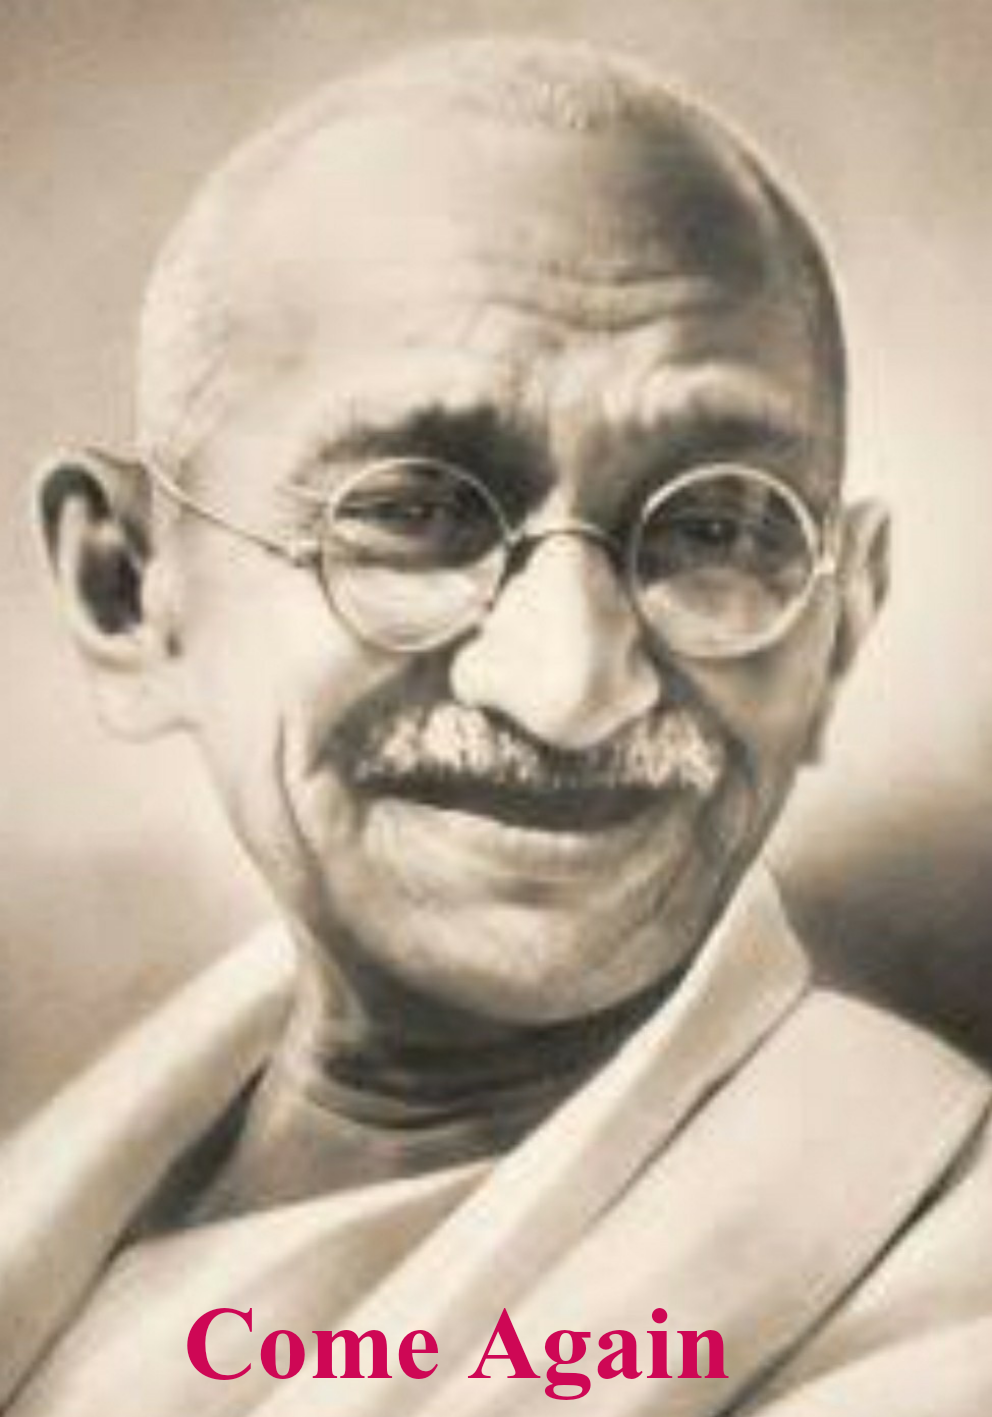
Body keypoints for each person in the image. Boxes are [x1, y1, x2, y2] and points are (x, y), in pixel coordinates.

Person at [2, 34, 991, 1417]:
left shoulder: (941, 1294)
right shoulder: (70, 1205)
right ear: (126, 590)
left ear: (843, 618)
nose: (572, 687)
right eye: (415, 512)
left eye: (715, 528)